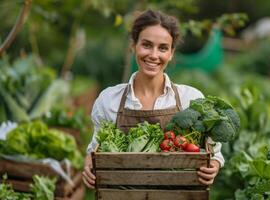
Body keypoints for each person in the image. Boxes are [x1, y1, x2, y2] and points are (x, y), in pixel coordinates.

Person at [82, 9, 224, 189]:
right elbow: (95, 148)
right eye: (147, 45)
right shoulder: (110, 99)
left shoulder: (191, 99)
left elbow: (214, 152)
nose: (154, 55)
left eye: (163, 48)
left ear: (171, 53)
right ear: (133, 45)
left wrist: (214, 166)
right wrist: (89, 166)